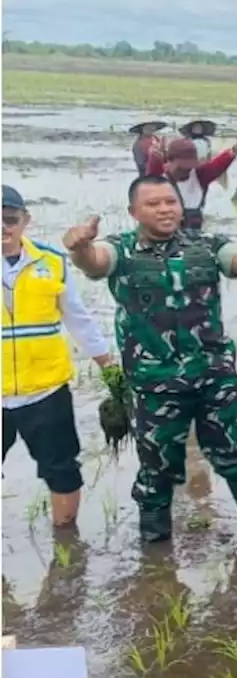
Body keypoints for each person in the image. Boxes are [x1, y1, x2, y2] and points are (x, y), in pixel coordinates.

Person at [61, 176, 237, 543]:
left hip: (214, 378)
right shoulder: (122, 250)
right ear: (133, 212)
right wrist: (80, 248)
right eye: (153, 203)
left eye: (170, 202)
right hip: (155, 386)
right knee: (157, 472)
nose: (164, 209)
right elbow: (97, 263)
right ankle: (156, 562)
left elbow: (236, 261)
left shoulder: (205, 245)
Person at [2, 186, 115, 528]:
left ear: (25, 221)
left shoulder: (51, 262)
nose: (2, 228)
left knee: (62, 469)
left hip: (47, 392)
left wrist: (110, 369)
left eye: (10, 220)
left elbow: (79, 320)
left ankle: (66, 541)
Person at [143, 137, 236, 232]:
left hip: (193, 238)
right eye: (181, 167)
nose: (186, 171)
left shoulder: (199, 176)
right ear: (170, 161)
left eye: (189, 167)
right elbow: (148, 184)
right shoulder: (160, 176)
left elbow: (217, 166)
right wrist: (155, 158)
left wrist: (234, 151)